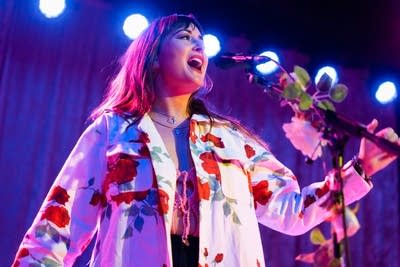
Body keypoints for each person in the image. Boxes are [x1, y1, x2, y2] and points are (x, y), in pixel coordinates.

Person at [13, 14, 399, 267]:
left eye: (201, 39)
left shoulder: (232, 141)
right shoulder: (112, 131)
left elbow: (293, 210)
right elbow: (55, 231)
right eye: (185, 37)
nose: (200, 46)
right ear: (150, 57)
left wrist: (360, 168)